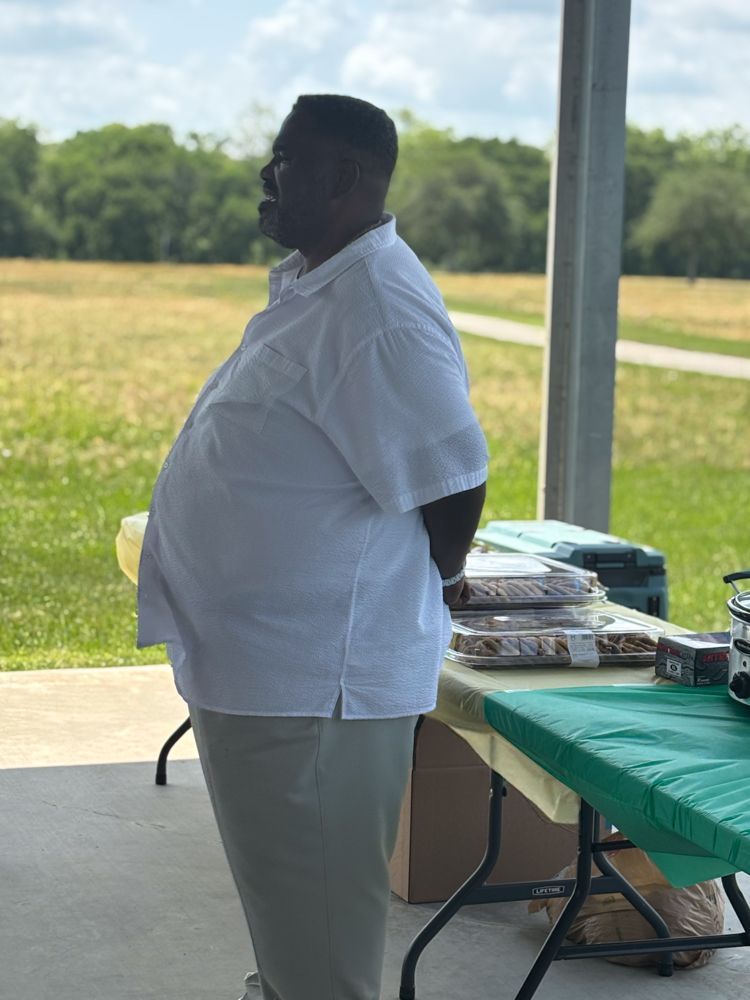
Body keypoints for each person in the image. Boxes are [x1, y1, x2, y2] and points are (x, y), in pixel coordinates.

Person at [136, 94, 487, 1000]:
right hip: (268, 676)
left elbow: (454, 479)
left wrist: (438, 575)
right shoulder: (322, 282)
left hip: (315, 689)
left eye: (286, 159)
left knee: (323, 948)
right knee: (295, 921)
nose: (267, 174)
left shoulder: (378, 309)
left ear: (343, 177)